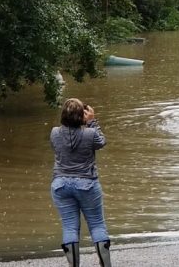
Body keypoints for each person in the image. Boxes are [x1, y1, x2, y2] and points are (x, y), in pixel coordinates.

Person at [50, 98, 112, 267]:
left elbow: (59, 147)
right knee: (97, 225)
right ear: (82, 117)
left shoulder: (54, 132)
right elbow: (101, 142)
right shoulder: (90, 134)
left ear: (63, 115)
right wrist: (92, 122)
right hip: (87, 184)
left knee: (70, 227)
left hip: (61, 184)